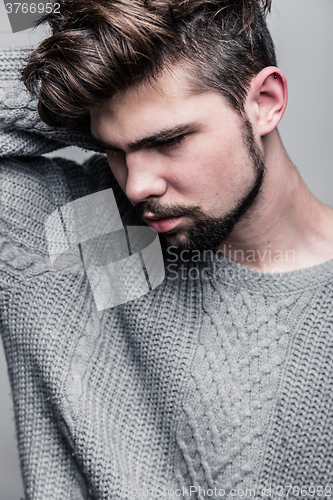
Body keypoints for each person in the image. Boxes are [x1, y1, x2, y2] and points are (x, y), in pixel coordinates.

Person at [0, 0, 332, 498]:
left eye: (169, 140)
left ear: (264, 101)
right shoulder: (80, 236)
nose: (137, 186)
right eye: (114, 148)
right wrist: (87, 93)